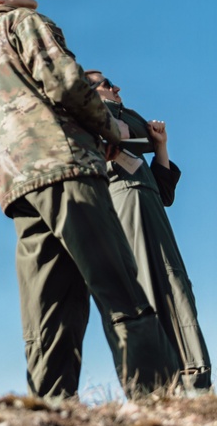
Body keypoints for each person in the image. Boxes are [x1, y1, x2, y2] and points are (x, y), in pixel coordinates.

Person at [0, 0, 179, 399]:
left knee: (49, 304)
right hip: (65, 167)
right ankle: (156, 396)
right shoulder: (24, 22)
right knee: (118, 283)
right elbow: (65, 83)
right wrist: (110, 129)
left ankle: (50, 406)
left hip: (18, 185)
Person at [85, 69, 210, 392]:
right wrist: (131, 129)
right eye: (107, 84)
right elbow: (133, 129)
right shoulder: (97, 117)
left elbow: (165, 193)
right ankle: (161, 381)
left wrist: (161, 146)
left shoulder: (123, 124)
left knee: (174, 285)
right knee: (149, 286)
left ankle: (192, 373)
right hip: (127, 209)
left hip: (152, 212)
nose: (116, 88)